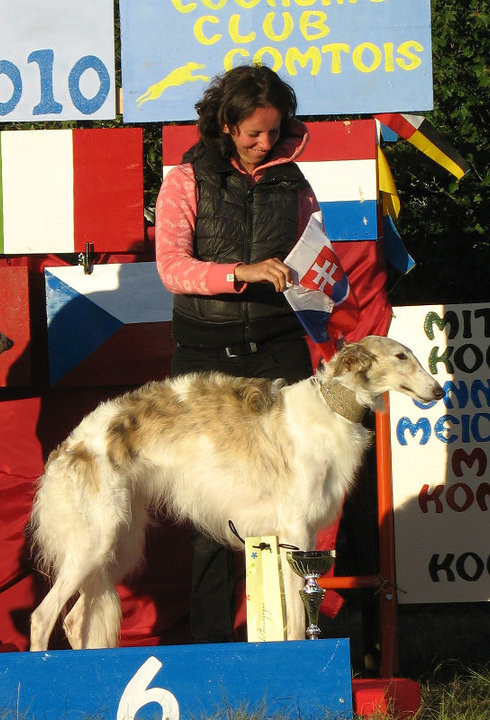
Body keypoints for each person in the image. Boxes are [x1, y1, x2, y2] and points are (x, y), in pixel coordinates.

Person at [155, 64, 324, 643]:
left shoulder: (296, 183)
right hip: (205, 361)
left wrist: (322, 279)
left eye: (274, 132)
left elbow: (314, 258)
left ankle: (293, 637)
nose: (265, 143)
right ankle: (211, 648)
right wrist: (239, 272)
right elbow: (171, 268)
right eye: (253, 132)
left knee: (298, 495)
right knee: (211, 509)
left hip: (279, 353)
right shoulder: (185, 180)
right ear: (226, 125)